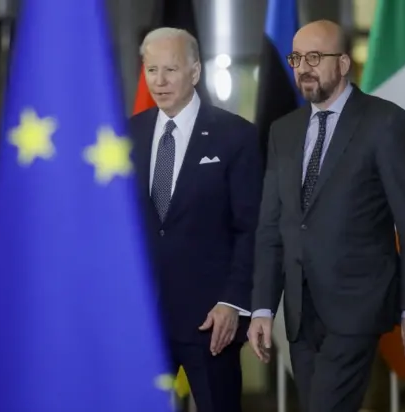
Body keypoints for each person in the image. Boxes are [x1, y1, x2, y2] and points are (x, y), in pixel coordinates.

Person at [247, 20, 405, 412]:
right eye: (296, 58)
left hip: (357, 306)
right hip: (299, 312)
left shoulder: (385, 122)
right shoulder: (283, 131)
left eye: (315, 57)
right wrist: (263, 306)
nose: (303, 68)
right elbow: (271, 228)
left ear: (344, 63)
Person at [129, 27, 262, 412]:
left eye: (170, 69)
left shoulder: (234, 136)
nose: (159, 81)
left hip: (210, 323)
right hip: (143, 321)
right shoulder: (128, 134)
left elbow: (249, 228)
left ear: (195, 72)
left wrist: (233, 303)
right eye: (151, 70)